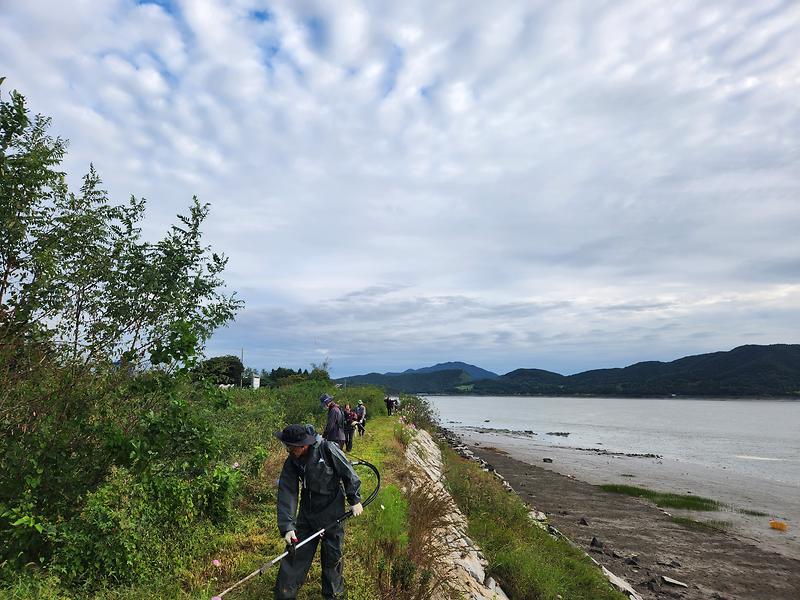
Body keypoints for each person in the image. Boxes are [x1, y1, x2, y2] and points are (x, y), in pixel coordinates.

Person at [274, 423, 363, 600]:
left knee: (332, 554)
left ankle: (332, 594)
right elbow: (287, 491)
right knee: (296, 550)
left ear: (303, 445)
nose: (288, 451)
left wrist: (354, 499)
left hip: (332, 508)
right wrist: (287, 526)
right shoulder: (292, 461)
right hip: (308, 510)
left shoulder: (327, 449)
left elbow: (348, 473)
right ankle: (285, 594)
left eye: (290, 448)